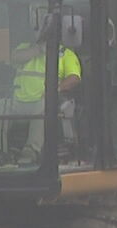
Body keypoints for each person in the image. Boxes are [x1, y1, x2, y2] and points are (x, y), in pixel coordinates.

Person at [9, 20, 83, 161]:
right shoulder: (24, 47)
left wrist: (56, 89)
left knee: (43, 106)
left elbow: (74, 77)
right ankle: (0, 151)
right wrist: (38, 49)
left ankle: (31, 150)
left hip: (44, 100)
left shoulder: (65, 54)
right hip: (18, 102)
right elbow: (15, 57)